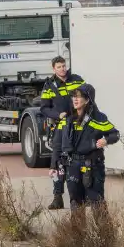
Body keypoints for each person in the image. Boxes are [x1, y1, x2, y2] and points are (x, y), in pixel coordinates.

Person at [52, 85, 119, 207]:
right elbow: (57, 145)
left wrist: (106, 140)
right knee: (75, 203)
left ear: (87, 100)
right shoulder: (67, 119)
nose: (75, 100)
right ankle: (77, 227)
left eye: (79, 97)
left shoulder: (99, 118)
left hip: (92, 165)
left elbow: (115, 134)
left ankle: (103, 227)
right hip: (72, 165)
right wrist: (53, 165)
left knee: (96, 202)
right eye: (74, 96)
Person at [39, 56, 86, 210]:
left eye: (64, 66)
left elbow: (88, 98)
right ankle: (57, 197)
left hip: (78, 126)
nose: (62, 69)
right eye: (59, 67)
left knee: (80, 161)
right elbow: (44, 108)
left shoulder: (77, 80)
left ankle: (78, 198)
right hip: (60, 127)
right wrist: (57, 115)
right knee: (57, 162)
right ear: (54, 69)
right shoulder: (49, 86)